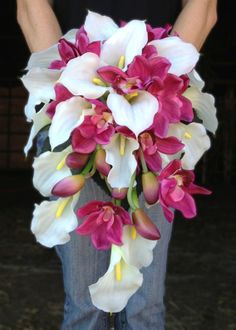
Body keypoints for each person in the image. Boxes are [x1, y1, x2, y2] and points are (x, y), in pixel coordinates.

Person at [16, 1, 218, 329]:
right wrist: (67, 93)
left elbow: (204, 8)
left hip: (153, 119)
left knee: (144, 308)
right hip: (76, 113)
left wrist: (159, 85)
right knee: (85, 305)